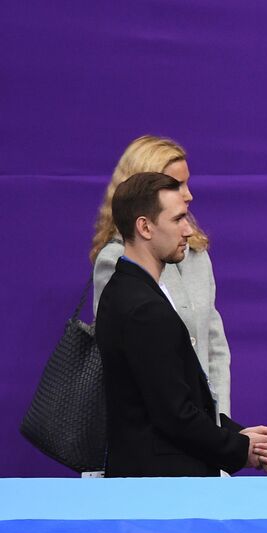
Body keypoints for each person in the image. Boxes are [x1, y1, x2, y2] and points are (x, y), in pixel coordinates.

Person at [95, 173, 267, 477]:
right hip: (162, 491)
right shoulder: (144, 309)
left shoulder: (125, 290)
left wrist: (238, 435)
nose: (188, 229)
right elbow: (174, 415)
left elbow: (175, 401)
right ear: (145, 227)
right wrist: (238, 449)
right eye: (178, 218)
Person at [91, 136, 231, 419]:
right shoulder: (116, 261)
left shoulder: (197, 254)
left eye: (187, 183)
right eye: (176, 185)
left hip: (203, 435)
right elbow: (130, 360)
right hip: (155, 438)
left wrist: (220, 428)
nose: (188, 195)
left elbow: (214, 346)